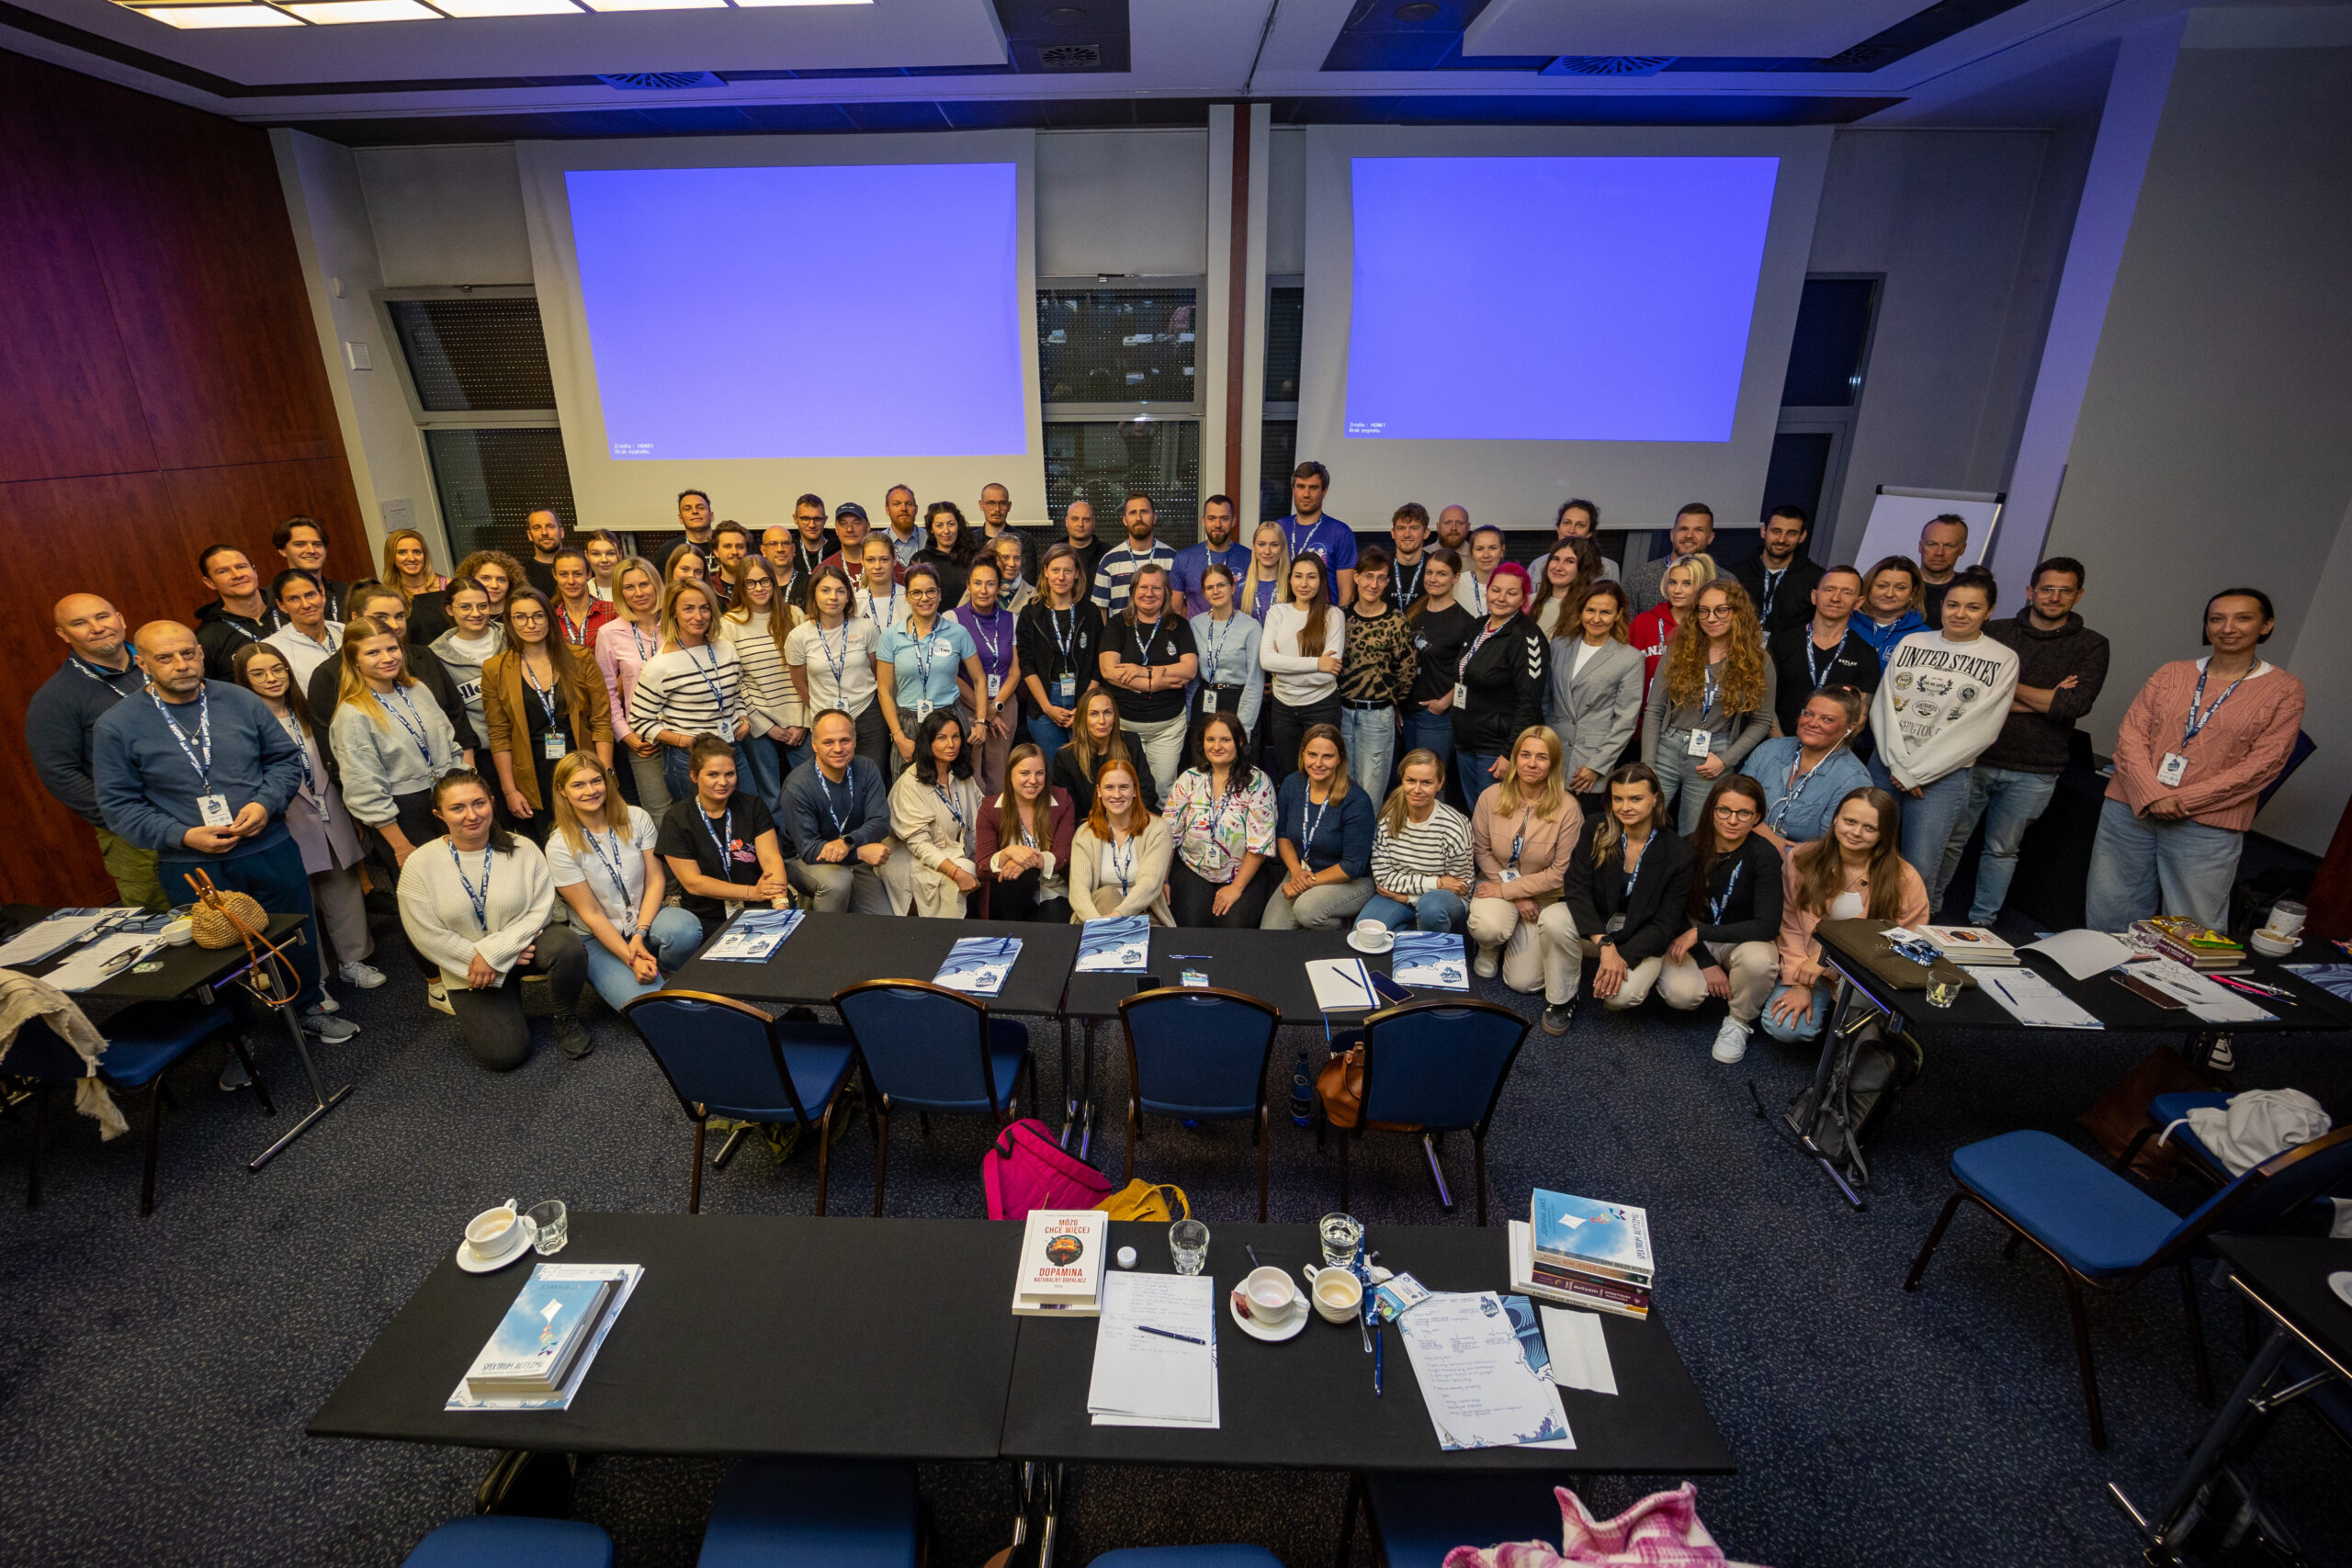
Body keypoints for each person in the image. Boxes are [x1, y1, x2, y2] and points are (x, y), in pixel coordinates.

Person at [94, 622, 356, 1066]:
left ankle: (308, 1006)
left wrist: (265, 804)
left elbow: (284, 760)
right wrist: (181, 835)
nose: (181, 665)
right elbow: (119, 806)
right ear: (142, 663)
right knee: (214, 957)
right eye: (165, 658)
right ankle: (236, 1038)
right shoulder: (117, 725)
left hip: (268, 845)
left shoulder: (240, 700)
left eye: (188, 653)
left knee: (294, 934)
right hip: (192, 863)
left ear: (201, 653)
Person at [2086, 587, 2306, 934]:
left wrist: (2181, 800)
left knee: (2191, 925)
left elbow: (2264, 764)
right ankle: (2109, 969)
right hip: (2130, 808)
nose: (2227, 628)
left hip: (2207, 822)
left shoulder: (2285, 689)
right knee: (2111, 905)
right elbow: (2130, 737)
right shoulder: (2171, 673)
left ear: (2266, 626)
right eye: (2217, 619)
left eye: (2243, 618)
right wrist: (2153, 795)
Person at [1942, 557, 2110, 927]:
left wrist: (2003, 685)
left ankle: (1982, 923)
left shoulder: (2092, 645)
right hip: (1974, 757)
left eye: (2065, 590)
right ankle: (1929, 908)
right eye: (2047, 588)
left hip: (2036, 768)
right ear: (2030, 590)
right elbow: (1964, 693)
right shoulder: (1994, 631)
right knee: (1950, 840)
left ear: (2078, 595)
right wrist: (2046, 697)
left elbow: (2071, 706)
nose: (2054, 597)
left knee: (2002, 850)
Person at [399, 768, 589, 1066]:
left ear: (491, 802)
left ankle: (566, 1017)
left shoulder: (523, 848)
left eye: (478, 803)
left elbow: (540, 909)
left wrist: (498, 952)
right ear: (439, 814)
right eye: (457, 808)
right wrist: (488, 960)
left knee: (567, 946)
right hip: (470, 967)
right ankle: (504, 996)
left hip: (523, 948)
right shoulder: (419, 864)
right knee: (506, 1056)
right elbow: (425, 934)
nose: (471, 815)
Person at [327, 624, 467, 1003]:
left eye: (391, 648)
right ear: (354, 660)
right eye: (373, 652)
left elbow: (449, 742)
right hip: (402, 816)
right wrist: (400, 845)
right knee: (423, 903)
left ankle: (468, 967)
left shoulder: (417, 689)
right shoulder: (353, 714)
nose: (386, 658)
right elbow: (364, 788)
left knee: (459, 892)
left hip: (445, 798)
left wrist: (465, 793)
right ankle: (436, 983)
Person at [231, 642, 378, 993]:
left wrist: (354, 811)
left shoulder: (310, 712)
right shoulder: (242, 725)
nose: (271, 678)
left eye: (277, 669)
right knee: (299, 902)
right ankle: (315, 979)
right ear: (244, 681)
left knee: (343, 887)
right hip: (286, 818)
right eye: (258, 673)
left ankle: (353, 961)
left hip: (331, 808)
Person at [1869, 568, 2019, 907]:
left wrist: (1916, 772)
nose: (1960, 614)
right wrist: (1898, 765)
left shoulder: (2002, 659)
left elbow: (1980, 729)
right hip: (1887, 764)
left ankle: (1908, 930)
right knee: (1869, 850)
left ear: (1989, 611)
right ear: (1942, 605)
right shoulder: (1913, 642)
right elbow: (1884, 705)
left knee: (1920, 864)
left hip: (1942, 776)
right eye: (1953, 604)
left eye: (1972, 607)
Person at [28, 593, 167, 909]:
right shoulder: (56, 697)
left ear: (120, 619)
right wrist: (124, 815)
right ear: (64, 634)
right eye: (80, 623)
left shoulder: (164, 664)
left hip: (201, 811)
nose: (97, 627)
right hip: (137, 836)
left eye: (102, 616)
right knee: (165, 921)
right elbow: (59, 773)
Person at [1763, 787, 1928, 1043]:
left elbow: (1906, 942)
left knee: (1865, 1039)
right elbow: (1789, 923)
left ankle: (1858, 1023)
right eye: (1850, 821)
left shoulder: (1904, 878)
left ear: (1884, 833)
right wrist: (1799, 981)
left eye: (1869, 828)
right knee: (1785, 1028)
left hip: (1866, 971)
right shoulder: (1802, 858)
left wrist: (1828, 959)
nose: (1856, 833)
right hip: (1806, 962)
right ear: (1835, 819)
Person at [544, 751, 700, 1011]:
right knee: (654, 1008)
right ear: (562, 791)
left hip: (645, 920)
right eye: (578, 785)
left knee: (685, 930)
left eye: (596, 781)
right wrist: (631, 958)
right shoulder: (559, 846)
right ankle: (630, 972)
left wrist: (639, 934)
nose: (590, 791)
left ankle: (668, 971)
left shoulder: (636, 817)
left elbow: (655, 880)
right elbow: (591, 914)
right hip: (597, 938)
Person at [1555, 763, 1696, 1035]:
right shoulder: (1596, 827)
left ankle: (1646, 974)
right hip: (1600, 922)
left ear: (1655, 798)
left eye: (1635, 798)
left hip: (1643, 931)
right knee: (1553, 918)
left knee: (1619, 997)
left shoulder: (1679, 851)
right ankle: (1562, 1000)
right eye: (1618, 799)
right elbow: (1576, 886)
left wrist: (1622, 958)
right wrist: (1605, 945)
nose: (1625, 807)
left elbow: (1665, 923)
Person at [1657, 774, 1784, 1064]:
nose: (1732, 820)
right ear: (1712, 810)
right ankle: (1709, 979)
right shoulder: (1688, 847)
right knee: (1681, 996)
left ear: (1757, 817)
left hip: (1743, 938)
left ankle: (1738, 1020)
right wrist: (1706, 961)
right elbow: (1671, 910)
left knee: (1759, 960)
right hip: (1691, 933)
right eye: (1724, 810)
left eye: (1744, 813)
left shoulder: (1764, 854)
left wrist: (1701, 933)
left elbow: (1768, 925)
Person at [1465, 725, 1586, 1009]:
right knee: (1488, 927)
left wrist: (1517, 892)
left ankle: (1516, 936)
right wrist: (1515, 894)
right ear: (1515, 758)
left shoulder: (1568, 808)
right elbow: (1481, 850)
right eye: (1525, 755)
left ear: (1554, 763)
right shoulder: (1491, 796)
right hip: (1497, 883)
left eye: (1542, 757)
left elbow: (1560, 873)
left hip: (1542, 897)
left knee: (1524, 983)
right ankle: (1491, 947)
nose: (1532, 764)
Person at [1642, 581, 1776, 832]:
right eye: (1703, 611)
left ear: (1738, 612)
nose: (1711, 618)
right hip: (1667, 748)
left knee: (1694, 833)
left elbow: (1762, 721)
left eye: (1721, 610)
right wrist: (1648, 762)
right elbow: (1655, 709)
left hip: (1714, 754)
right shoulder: (1679, 651)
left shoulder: (1758, 660)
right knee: (1643, 824)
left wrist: (1726, 760)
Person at [483, 588, 614, 840]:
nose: (530, 624)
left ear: (550, 618)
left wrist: (605, 774)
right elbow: (499, 735)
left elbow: (601, 721)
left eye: (538, 616)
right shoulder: (495, 669)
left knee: (596, 839)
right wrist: (510, 791)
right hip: (533, 775)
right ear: (510, 622)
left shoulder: (580, 658)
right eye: (520, 617)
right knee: (551, 844)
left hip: (582, 766)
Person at [303, 581, 470, 758]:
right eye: (381, 617)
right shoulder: (328, 675)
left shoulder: (424, 656)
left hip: (450, 767)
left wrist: (467, 770)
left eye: (399, 616)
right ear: (356, 618)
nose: (394, 625)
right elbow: (335, 754)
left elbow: (457, 720)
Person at [657, 735, 790, 943]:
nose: (723, 782)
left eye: (730, 774)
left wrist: (780, 906)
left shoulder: (753, 806)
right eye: (713, 774)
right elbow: (694, 883)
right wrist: (751, 892)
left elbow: (771, 860)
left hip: (760, 904)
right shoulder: (676, 819)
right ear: (694, 776)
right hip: (708, 915)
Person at [776, 710, 911, 914]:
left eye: (845, 740)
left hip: (852, 857)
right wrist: (859, 852)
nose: (838, 748)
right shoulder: (797, 786)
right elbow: (809, 850)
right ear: (814, 744)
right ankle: (824, 932)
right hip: (804, 860)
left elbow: (880, 821)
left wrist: (847, 843)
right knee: (838, 882)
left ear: (855, 741)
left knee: (883, 921)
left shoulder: (866, 768)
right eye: (828, 742)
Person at [631, 580, 750, 804]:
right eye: (688, 609)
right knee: (701, 821)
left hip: (732, 749)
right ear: (673, 614)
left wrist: (743, 719)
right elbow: (640, 721)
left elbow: (735, 694)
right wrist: (684, 741)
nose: (698, 616)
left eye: (704, 608)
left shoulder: (726, 649)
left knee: (748, 813)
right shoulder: (660, 666)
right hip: (689, 758)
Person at [1162, 710, 1276, 928]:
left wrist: (1236, 888)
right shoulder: (1189, 779)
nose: (1217, 746)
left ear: (1239, 742)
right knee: (1191, 924)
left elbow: (1260, 844)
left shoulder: (1258, 782)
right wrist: (1164, 880)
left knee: (1232, 927)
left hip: (1242, 872)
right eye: (1210, 739)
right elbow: (1169, 835)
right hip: (1194, 868)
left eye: (1225, 740)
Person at [1096, 562, 1198, 795]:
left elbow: (1189, 670)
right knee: (1122, 788)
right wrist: (1156, 683)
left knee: (1162, 790)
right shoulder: (1118, 624)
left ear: (1166, 593)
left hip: (1167, 727)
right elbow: (1109, 671)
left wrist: (1141, 671)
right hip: (1124, 725)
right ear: (1133, 591)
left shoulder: (1179, 625)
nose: (1149, 593)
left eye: (1156, 588)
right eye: (1143, 587)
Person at [878, 564, 986, 781]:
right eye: (916, 592)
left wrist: (981, 722)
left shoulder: (958, 633)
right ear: (907, 597)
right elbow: (884, 690)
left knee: (955, 784)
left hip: (950, 720)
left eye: (930, 591)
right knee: (907, 788)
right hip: (908, 725)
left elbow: (979, 679)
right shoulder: (891, 636)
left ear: (939, 594)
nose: (924, 598)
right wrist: (898, 736)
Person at [1262, 724, 1374, 931]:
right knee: (1271, 931)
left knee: (1308, 911)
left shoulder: (1356, 800)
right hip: (1302, 871)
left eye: (1327, 756)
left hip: (1350, 880)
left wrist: (1306, 882)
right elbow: (1283, 835)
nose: (1318, 763)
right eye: (1312, 755)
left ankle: (1343, 930)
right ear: (1303, 754)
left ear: (1340, 758)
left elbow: (1352, 866)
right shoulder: (1292, 784)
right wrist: (1296, 873)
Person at [718, 554, 807, 806]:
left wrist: (803, 721)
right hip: (758, 723)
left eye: (765, 581)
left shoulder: (794, 615)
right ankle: (775, 833)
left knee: (809, 789)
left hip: (799, 720)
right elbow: (734, 681)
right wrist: (765, 727)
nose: (759, 588)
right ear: (741, 586)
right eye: (751, 582)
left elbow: (809, 672)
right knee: (771, 796)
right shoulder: (729, 624)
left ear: (774, 582)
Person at [1544, 581, 1644, 807]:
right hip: (1552, 754)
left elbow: (1625, 721)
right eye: (1590, 610)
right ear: (1581, 610)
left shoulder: (1629, 658)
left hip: (1589, 763)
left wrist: (1597, 766)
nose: (1596, 619)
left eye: (1605, 612)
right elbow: (1545, 701)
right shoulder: (1558, 646)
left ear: (1618, 614)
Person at [1450, 561, 1547, 792]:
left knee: (1495, 811)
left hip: (1496, 750)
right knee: (1476, 810)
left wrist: (1509, 752)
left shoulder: (1528, 637)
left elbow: (1529, 702)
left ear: (1523, 598)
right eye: (1496, 590)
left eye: (1511, 593)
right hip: (1466, 741)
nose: (1501, 598)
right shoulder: (1480, 625)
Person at [786, 566, 888, 775]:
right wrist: (822, 707)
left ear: (848, 596)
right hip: (825, 717)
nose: (833, 597)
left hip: (867, 713)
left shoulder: (866, 628)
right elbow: (800, 684)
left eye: (840, 591)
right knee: (833, 777)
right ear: (814, 594)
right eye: (825, 590)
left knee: (872, 775)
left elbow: (878, 673)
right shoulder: (799, 636)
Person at [1335, 547, 1418, 800]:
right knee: (1342, 787)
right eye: (1369, 576)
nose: (1374, 584)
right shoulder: (1341, 617)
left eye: (1381, 578)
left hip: (1378, 716)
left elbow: (1407, 670)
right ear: (1356, 577)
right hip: (1342, 712)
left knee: (1371, 792)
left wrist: (1392, 701)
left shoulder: (1396, 620)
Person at [1747, 687, 1872, 851]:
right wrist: (1767, 835)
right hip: (1745, 843)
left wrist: (1782, 850)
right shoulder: (1769, 749)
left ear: (1850, 727)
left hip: (1801, 860)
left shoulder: (1854, 780)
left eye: (1827, 719)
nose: (1812, 723)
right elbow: (1735, 802)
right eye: (1808, 714)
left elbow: (1833, 846)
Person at [1362, 750, 1474, 933]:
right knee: (1366, 931)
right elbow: (1383, 878)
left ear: (1440, 783)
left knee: (1430, 908)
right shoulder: (1388, 819)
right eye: (1411, 781)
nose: (1417, 790)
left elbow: (1461, 886)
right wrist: (1437, 882)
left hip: (1439, 902)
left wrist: (1407, 898)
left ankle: (1426, 938)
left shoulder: (1454, 826)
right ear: (1402, 780)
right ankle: (1411, 930)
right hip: (1396, 895)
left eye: (1426, 782)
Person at [595, 557, 673, 812]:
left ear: (656, 585)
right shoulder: (609, 633)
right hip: (643, 739)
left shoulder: (677, 623)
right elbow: (605, 692)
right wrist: (624, 733)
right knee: (659, 812)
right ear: (620, 593)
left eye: (644, 584)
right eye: (629, 587)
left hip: (684, 729)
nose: (638, 593)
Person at [889, 708, 985, 917]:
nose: (951, 744)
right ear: (928, 743)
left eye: (956, 737)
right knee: (966, 869)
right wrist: (956, 872)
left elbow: (984, 815)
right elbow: (919, 845)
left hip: (959, 852)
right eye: (942, 738)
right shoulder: (910, 783)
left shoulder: (962, 775)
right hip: (919, 859)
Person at [1767, 564, 1881, 739]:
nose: (1836, 598)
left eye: (1847, 592)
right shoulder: (1781, 642)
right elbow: (1762, 701)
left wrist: (1820, 752)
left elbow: (1859, 718)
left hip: (1830, 751)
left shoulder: (1866, 654)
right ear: (1814, 596)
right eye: (1829, 590)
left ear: (1858, 603)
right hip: (1775, 744)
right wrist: (1780, 744)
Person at [1016, 543, 1102, 768]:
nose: (1061, 577)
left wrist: (1083, 707)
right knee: (1053, 771)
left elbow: (1098, 663)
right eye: (1055, 570)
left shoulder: (1090, 612)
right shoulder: (1030, 613)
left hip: (1083, 699)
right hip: (1045, 703)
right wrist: (1047, 707)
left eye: (1067, 570)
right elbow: (1026, 664)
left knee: (1085, 769)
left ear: (1077, 573)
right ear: (1045, 571)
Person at [1261, 552, 1347, 777]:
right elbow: (1266, 660)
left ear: (1321, 581)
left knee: (1322, 773)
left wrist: (1282, 669)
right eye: (1298, 576)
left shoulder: (1333, 615)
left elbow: (1327, 676)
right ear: (1290, 579)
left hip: (1322, 706)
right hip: (1283, 708)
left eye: (1312, 577)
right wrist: (1318, 662)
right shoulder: (1277, 612)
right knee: (1288, 775)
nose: (1304, 583)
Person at [1399, 549, 1474, 804]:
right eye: (1429, 572)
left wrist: (1444, 703)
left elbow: (1469, 673)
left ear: (1456, 578)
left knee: (1430, 787)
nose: (1433, 579)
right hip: (1407, 713)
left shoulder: (1465, 622)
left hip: (1436, 717)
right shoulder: (1414, 612)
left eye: (1441, 574)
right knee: (1410, 785)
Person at [976, 743, 1076, 923]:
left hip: (1053, 889)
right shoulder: (990, 808)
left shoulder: (1062, 800)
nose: (1033, 780)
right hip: (1011, 893)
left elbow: (1064, 853)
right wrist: (1008, 852)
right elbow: (982, 865)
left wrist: (1031, 861)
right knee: (1020, 879)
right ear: (1010, 774)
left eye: (1040, 773)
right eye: (1024, 773)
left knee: (1054, 916)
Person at [1069, 757, 1174, 926]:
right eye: (1109, 787)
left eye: (1124, 787)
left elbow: (1150, 884)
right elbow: (1078, 890)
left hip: (1144, 916)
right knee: (1107, 894)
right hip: (1094, 917)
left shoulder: (1158, 830)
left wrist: (1117, 917)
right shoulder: (1085, 834)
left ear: (1135, 791)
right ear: (1099, 791)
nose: (1117, 795)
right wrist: (1098, 923)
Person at [955, 558, 1022, 796]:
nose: (983, 590)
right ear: (968, 585)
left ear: (999, 587)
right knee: (970, 771)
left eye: (990, 584)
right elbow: (951, 673)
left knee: (998, 771)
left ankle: (997, 817)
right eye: (977, 583)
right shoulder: (952, 619)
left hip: (1004, 704)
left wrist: (996, 707)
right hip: (966, 704)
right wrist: (985, 712)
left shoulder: (1011, 619)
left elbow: (1015, 671)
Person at [1052, 684, 1161, 818]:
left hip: (1131, 817)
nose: (1102, 721)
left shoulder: (1131, 742)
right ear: (1082, 718)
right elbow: (1069, 809)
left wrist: (1123, 820)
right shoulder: (1066, 757)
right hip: (1090, 823)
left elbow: (1147, 792)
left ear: (1115, 716)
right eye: (1094, 714)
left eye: (1107, 713)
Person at [1188, 562, 1264, 745]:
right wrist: (1188, 715)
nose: (1216, 591)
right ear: (1204, 593)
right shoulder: (1195, 624)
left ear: (1232, 587)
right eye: (1210, 587)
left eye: (1221, 585)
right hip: (1204, 699)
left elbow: (1255, 680)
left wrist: (1243, 727)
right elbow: (1193, 679)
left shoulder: (1251, 627)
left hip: (1238, 701)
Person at [428, 578, 503, 752]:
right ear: (450, 610)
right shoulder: (436, 656)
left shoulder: (511, 637)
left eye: (482, 606)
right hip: (481, 751)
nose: (476, 613)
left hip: (526, 740)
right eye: (465, 607)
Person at [1729, 505, 1824, 638]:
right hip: (1739, 647)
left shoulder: (1817, 578)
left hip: (1791, 650)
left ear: (1802, 536)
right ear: (1764, 531)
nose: (1781, 540)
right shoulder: (1734, 575)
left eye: (1791, 533)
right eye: (1776, 531)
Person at [193, 545, 285, 680]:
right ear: (209, 582)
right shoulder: (207, 639)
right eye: (223, 571)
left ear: (254, 571)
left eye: (241, 567)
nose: (237, 575)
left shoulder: (288, 605)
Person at [1630, 555, 1713, 702]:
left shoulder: (1709, 626)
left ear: (1702, 586)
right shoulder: (1643, 622)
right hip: (1641, 711)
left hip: (1688, 711)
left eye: (1687, 583)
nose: (1677, 590)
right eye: (1672, 582)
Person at [1276, 460, 1357, 607]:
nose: (1306, 494)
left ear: (1324, 491)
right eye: (1301, 487)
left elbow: (1347, 593)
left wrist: (1338, 618)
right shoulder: (1278, 528)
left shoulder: (1340, 532)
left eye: (1313, 488)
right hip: (1283, 614)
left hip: (1324, 615)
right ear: (1293, 489)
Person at [1091, 491, 1179, 617]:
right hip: (1120, 630)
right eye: (1133, 513)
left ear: (1154, 517)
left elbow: (1178, 607)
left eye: (1144, 512)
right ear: (1125, 520)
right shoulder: (1109, 561)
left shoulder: (1172, 558)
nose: (1139, 518)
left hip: (1162, 629)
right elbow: (1101, 609)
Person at [1625, 503, 1717, 616]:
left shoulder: (1724, 579)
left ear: (1710, 538)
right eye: (1683, 529)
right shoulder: (1643, 576)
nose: (1689, 535)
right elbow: (1625, 624)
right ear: (1672, 534)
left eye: (1698, 530)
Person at [264, 569, 345, 692]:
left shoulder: (345, 632)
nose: (306, 605)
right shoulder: (272, 649)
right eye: (294, 599)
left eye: (310, 595)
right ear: (281, 605)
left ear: (322, 595)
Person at [1170, 492, 1246, 615]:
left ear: (1233, 521)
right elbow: (1175, 612)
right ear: (1203, 521)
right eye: (1211, 518)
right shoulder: (1183, 559)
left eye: (1224, 518)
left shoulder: (1248, 558)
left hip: (1237, 627)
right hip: (1196, 628)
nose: (1217, 524)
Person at [1854, 556, 1928, 669]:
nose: (1889, 594)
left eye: (1900, 588)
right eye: (1882, 586)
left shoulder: (1923, 635)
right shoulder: (1846, 624)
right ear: (1868, 587)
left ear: (1913, 592)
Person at [272, 517, 350, 621]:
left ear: (325, 550)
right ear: (282, 550)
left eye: (317, 544)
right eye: (300, 544)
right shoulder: (269, 602)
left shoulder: (348, 592)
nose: (311, 550)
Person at [1528, 537, 1603, 642]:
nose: (1558, 567)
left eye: (1570, 561)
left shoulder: (1589, 607)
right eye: (1556, 559)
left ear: (1583, 568)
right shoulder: (1529, 602)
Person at [914, 502, 978, 609]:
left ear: (958, 525)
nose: (946, 531)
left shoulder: (975, 557)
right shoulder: (920, 559)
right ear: (931, 529)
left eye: (951, 524)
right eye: (939, 525)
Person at [549, 547, 614, 652]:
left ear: (588, 574)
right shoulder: (550, 618)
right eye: (564, 574)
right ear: (554, 575)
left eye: (577, 574)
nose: (571, 581)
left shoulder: (613, 612)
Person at [781, 493, 835, 605]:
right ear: (795, 519)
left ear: (825, 520)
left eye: (817, 519)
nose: (812, 525)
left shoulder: (838, 547)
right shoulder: (787, 550)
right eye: (805, 518)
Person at [1917, 513, 1969, 627]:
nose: (1939, 553)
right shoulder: (1897, 586)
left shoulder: (1970, 591)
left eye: (1949, 545)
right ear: (1920, 546)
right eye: (1932, 544)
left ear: (1962, 549)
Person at [824, 502, 897, 582]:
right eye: (843, 524)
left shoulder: (890, 566)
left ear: (868, 527)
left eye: (856, 523)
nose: (849, 529)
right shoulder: (825, 569)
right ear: (836, 529)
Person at [1383, 502, 1434, 615]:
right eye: (1401, 528)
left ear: (1426, 533)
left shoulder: (1436, 567)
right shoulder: (1381, 566)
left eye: (1414, 528)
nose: (1407, 534)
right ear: (1393, 533)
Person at [1238, 519, 1291, 626]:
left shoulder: (1292, 587)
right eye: (1261, 544)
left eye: (1274, 545)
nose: (1267, 551)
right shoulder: (1239, 588)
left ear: (1282, 547)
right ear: (1254, 547)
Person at [976, 481, 1029, 586]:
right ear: (981, 505)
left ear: (1009, 506)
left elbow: (1028, 579)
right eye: (991, 503)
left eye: (1002, 503)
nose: (997, 509)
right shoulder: (970, 540)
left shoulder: (1024, 539)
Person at [1554, 500, 1621, 581]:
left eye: (1580, 525)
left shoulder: (1607, 567)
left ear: (1589, 533)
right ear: (1558, 528)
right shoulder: (1541, 563)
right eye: (1567, 523)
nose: (1571, 530)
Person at [854, 536, 908, 633]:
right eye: (870, 560)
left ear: (894, 560)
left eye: (884, 559)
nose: (877, 566)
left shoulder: (909, 598)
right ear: (862, 560)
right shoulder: (855, 602)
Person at [381, 527, 447, 604]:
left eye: (417, 552)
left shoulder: (445, 584)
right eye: (402, 552)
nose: (412, 559)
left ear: (425, 555)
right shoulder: (387, 596)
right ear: (390, 557)